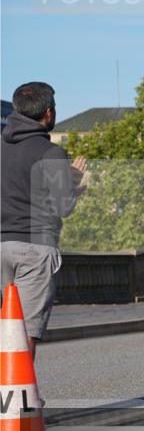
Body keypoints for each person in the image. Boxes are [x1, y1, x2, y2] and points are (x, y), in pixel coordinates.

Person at [1, 82, 88, 360]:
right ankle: (19, 396)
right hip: (35, 249)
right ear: (48, 113)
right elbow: (63, 208)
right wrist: (73, 184)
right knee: (25, 332)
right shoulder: (51, 154)